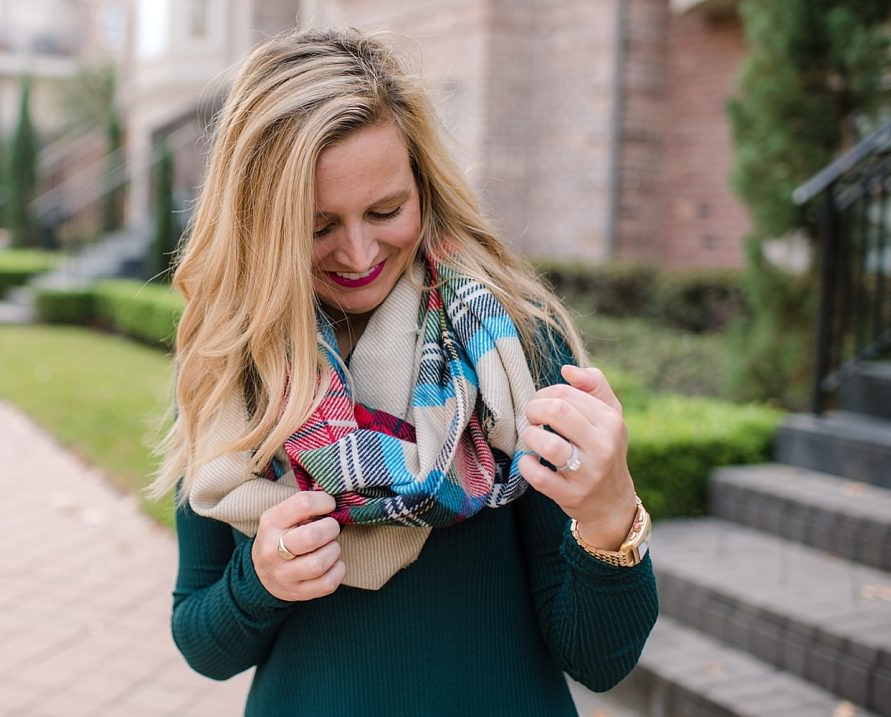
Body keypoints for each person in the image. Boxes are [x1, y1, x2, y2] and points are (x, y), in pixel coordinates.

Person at [147, 27, 658, 717]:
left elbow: (598, 658)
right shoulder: (228, 369)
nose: (358, 252)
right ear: (258, 223)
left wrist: (608, 514)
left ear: (422, 183)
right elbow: (202, 642)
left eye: (385, 210)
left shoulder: (508, 349)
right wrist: (258, 580)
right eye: (316, 224)